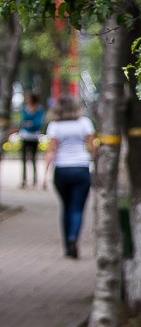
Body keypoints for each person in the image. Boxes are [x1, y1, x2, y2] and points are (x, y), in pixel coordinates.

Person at [44, 96, 95, 259]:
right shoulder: (85, 123)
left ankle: (67, 245)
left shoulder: (54, 126)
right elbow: (92, 146)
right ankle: (74, 238)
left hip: (62, 170)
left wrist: (44, 175)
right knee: (77, 207)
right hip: (81, 168)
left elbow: (51, 151)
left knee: (65, 207)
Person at [18, 91, 45, 188]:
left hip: (34, 136)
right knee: (23, 159)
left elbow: (38, 123)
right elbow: (22, 121)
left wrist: (28, 124)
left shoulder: (39, 109)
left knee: (33, 158)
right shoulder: (25, 108)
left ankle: (34, 179)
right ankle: (24, 179)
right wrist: (29, 124)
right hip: (25, 135)